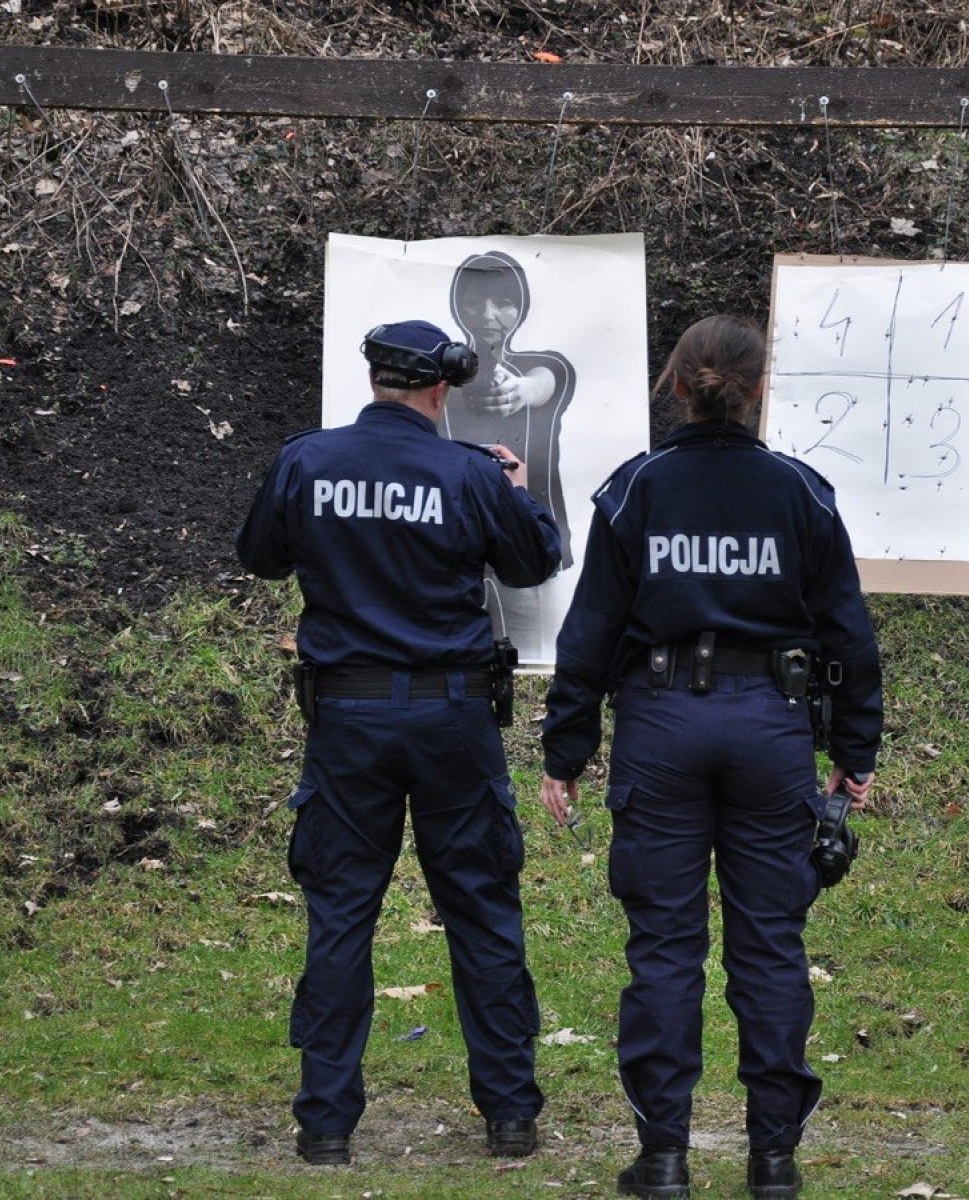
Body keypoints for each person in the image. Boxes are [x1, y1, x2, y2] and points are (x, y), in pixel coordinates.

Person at [538, 315, 883, 1200]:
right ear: (759, 387)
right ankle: (773, 1160)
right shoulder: (801, 492)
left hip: (661, 725)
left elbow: (589, 636)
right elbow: (849, 631)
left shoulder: (635, 490)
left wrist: (566, 753)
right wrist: (855, 748)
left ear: (676, 383)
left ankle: (663, 1158)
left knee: (663, 946)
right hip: (771, 726)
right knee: (771, 946)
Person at [236, 319, 561, 1167]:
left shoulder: (308, 460)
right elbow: (534, 562)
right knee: (482, 912)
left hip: (347, 719)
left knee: (342, 914)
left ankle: (327, 1126)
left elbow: (261, 557)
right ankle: (509, 1117)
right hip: (451, 717)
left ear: (377, 378)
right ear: (441, 387)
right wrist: (517, 490)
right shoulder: (468, 473)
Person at [442, 250, 577, 661]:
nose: (487, 314)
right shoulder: (442, 370)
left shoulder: (544, 363)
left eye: (502, 302)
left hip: (529, 541)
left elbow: (545, 380)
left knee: (540, 656)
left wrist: (520, 391)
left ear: (521, 307)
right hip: (455, 550)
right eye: (474, 302)